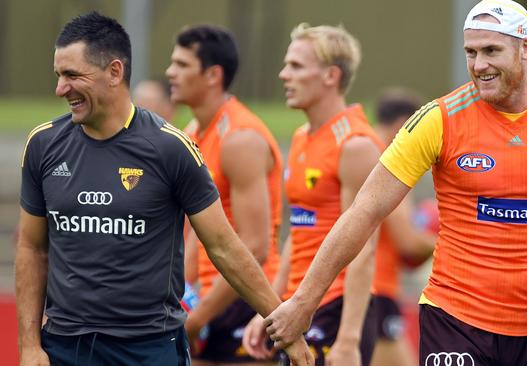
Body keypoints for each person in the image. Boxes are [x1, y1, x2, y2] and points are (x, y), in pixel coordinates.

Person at [263, 1, 527, 366]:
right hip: (454, 320)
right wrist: (302, 302)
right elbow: (364, 211)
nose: (479, 65)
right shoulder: (439, 119)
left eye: (492, 50)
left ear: (526, 50)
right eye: (471, 52)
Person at [15, 12, 312, 366]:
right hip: (65, 346)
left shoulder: (171, 148)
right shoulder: (43, 145)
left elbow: (224, 246)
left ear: (114, 72)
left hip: (148, 348)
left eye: (73, 75)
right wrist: (30, 345)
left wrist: (283, 326)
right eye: (59, 75)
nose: (61, 88)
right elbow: (32, 248)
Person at [243, 23, 381, 366]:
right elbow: (300, 230)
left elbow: (365, 249)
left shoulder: (356, 144)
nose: (283, 74)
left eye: (296, 66)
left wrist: (349, 340)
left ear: (331, 75)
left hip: (336, 308)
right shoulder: (304, 136)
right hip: (298, 306)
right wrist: (271, 306)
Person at [165, 24, 283, 366]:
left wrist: (198, 317)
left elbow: (257, 246)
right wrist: (188, 299)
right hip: (207, 298)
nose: (171, 73)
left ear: (213, 74)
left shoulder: (241, 139)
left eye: (183, 65)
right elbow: (192, 230)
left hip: (247, 301)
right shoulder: (190, 133)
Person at [370, 89, 438, 366]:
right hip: (376, 291)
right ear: (402, 126)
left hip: (362, 290)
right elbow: (408, 243)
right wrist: (451, 237)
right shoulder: (387, 163)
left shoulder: (359, 149)